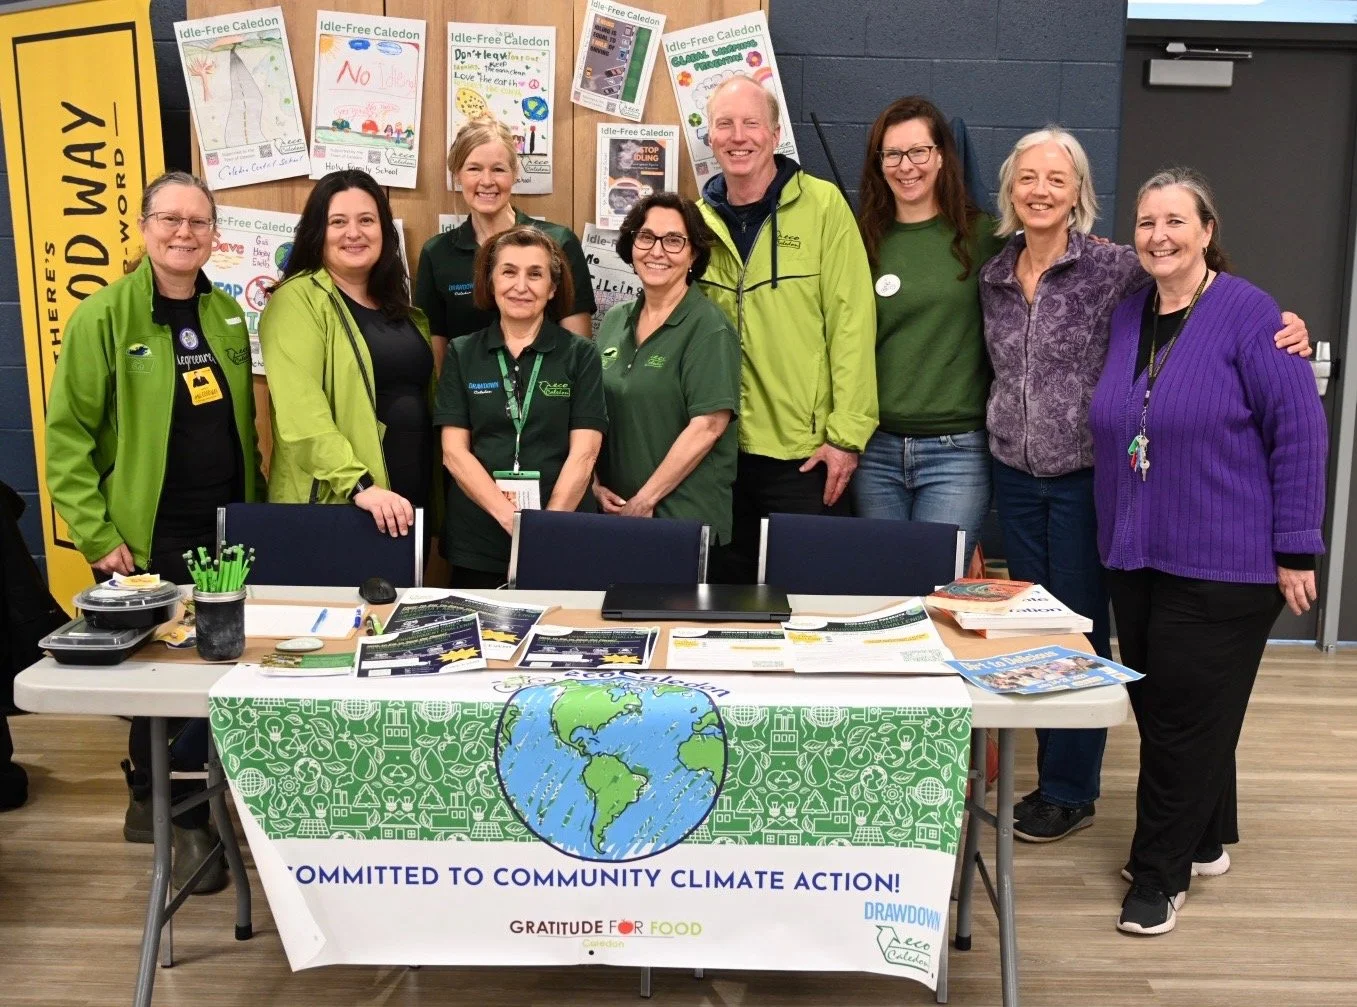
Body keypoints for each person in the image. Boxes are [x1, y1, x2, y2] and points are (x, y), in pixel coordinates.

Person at [980, 129, 1312, 844]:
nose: (1040, 190)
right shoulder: (992, 273)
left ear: (1078, 195)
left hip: (1086, 481)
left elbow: (1196, 289)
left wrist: (1278, 324)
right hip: (1014, 474)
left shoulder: (1114, 268)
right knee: (1036, 632)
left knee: (1078, 635)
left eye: (1056, 179)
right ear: (1010, 189)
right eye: (1027, 177)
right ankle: (1200, 823)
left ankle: (1068, 789)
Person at [1089, 168, 1327, 935]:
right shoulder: (1131, 314)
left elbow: (1299, 429)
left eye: (1174, 221)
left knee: (1182, 717)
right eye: (1146, 222)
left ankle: (1158, 876)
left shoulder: (1251, 312)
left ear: (1205, 230)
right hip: (1139, 550)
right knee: (1169, 708)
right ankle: (1205, 838)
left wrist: (1296, 547)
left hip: (1225, 561)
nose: (1158, 235)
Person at [45, 171, 264, 891]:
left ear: (213, 234)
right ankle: (160, 804)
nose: (183, 233)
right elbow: (68, 439)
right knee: (157, 675)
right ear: (142, 229)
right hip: (144, 536)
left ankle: (198, 792)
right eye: (169, 220)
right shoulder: (103, 317)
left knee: (221, 668)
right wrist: (97, 532)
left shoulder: (226, 314)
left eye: (198, 222)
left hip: (226, 531)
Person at [696, 75, 877, 583]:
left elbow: (853, 326)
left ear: (775, 135)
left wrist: (846, 437)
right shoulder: (695, 222)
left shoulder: (823, 208)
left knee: (809, 607)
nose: (738, 136)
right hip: (718, 457)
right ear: (709, 136)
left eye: (751, 123)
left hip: (805, 456)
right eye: (724, 124)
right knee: (722, 612)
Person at [852, 96, 1005, 566]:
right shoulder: (861, 239)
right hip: (874, 450)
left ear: (941, 155)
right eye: (892, 154)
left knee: (935, 584)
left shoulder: (985, 236)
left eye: (918, 151)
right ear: (879, 164)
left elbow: (1048, 257)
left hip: (957, 452)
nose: (906, 166)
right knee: (883, 589)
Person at [260, 170, 435, 539]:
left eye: (366, 220)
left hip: (403, 504)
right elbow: (302, 415)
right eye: (338, 222)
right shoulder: (297, 301)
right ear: (316, 233)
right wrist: (360, 486)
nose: (354, 233)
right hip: (342, 504)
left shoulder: (399, 308)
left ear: (385, 231)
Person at [433, 226, 607, 588]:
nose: (521, 286)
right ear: (490, 282)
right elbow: (454, 453)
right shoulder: (462, 352)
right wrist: (509, 517)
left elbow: (585, 454)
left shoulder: (580, 354)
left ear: (553, 288)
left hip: (561, 534)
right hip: (477, 540)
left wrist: (545, 531)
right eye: (509, 271)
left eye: (536, 274)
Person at [593, 194, 740, 542]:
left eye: (674, 240)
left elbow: (707, 426)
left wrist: (644, 501)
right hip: (616, 514)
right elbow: (592, 414)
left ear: (694, 254)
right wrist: (594, 485)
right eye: (645, 237)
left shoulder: (708, 327)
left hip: (682, 521)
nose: (657, 251)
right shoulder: (615, 320)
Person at [415, 117, 596, 371]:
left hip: (548, 403)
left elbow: (580, 352)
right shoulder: (437, 254)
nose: (487, 181)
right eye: (474, 169)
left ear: (514, 174)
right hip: (469, 404)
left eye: (498, 169)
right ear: (457, 175)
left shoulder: (558, 242)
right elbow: (437, 359)